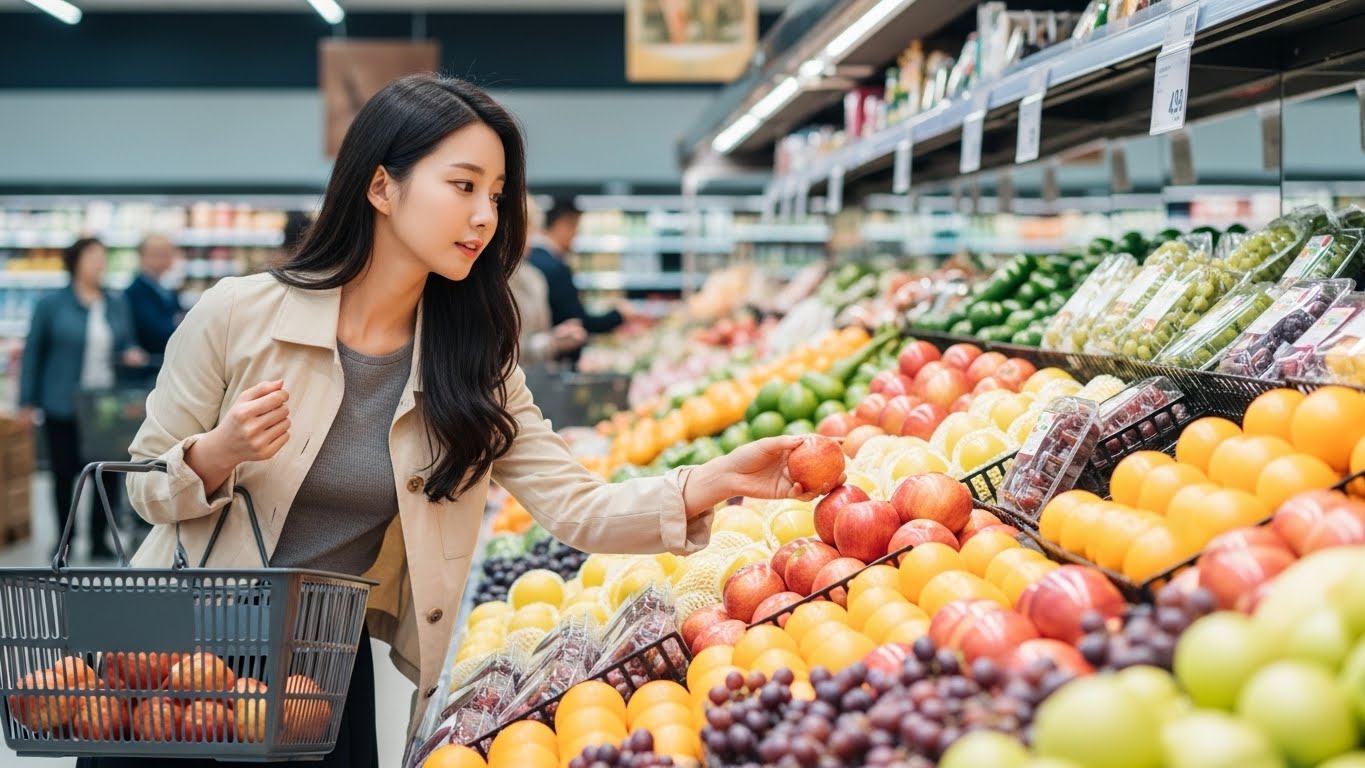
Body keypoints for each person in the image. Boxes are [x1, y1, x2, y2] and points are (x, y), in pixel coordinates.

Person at [96, 74, 828, 768]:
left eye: (498, 194)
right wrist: (216, 454)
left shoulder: (469, 360)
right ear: (381, 185)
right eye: (463, 185)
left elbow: (575, 505)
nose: (485, 215)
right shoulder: (239, 314)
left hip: (314, 671)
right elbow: (142, 485)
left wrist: (710, 480)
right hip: (173, 655)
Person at [19, 237, 148, 560]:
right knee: (63, 474)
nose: (99, 264)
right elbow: (34, 353)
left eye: (103, 258)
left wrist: (130, 353)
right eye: (93, 257)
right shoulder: (51, 305)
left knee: (107, 474)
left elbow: (126, 342)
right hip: (61, 401)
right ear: (75, 261)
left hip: (105, 405)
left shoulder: (115, 303)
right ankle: (65, 538)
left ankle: (99, 537)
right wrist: (27, 401)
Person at [528, 199, 632, 367]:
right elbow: (579, 322)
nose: (576, 236)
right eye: (575, 228)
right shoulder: (555, 268)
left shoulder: (533, 261)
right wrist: (618, 315)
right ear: (562, 225)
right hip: (554, 362)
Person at [511, 193, 586, 364]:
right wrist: (552, 342)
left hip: (532, 380)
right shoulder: (487, 281)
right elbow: (505, 351)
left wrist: (554, 338)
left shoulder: (533, 277)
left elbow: (535, 335)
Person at [123, 233, 184, 382]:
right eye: (159, 254)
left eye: (169, 253)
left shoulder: (167, 290)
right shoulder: (134, 292)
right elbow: (157, 330)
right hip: (146, 371)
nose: (166, 258)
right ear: (142, 257)